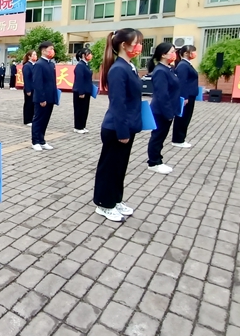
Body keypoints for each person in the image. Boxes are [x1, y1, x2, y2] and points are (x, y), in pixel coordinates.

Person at [93, 28, 144, 222]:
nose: (139, 47)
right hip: (116, 128)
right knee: (110, 167)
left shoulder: (128, 66)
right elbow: (118, 103)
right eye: (136, 43)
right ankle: (104, 204)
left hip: (126, 126)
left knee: (120, 167)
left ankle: (115, 200)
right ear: (124, 45)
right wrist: (123, 131)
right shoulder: (118, 69)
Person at [146, 42, 180, 175]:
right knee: (157, 137)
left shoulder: (168, 68)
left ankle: (158, 159)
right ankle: (153, 162)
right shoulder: (160, 70)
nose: (174, 54)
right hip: (161, 110)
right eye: (172, 51)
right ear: (163, 54)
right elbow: (162, 95)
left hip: (168, 109)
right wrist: (168, 113)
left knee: (161, 137)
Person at [31, 42, 58, 151]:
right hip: (42, 98)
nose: (52, 51)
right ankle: (35, 141)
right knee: (38, 119)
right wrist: (42, 98)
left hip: (50, 97)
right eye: (50, 49)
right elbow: (38, 83)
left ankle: (42, 140)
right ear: (43, 51)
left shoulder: (51, 64)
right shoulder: (39, 64)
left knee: (46, 120)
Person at [172, 45, 198, 149]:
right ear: (186, 53)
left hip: (190, 95)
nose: (194, 54)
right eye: (193, 51)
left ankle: (180, 138)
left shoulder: (187, 64)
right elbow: (182, 82)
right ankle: (178, 139)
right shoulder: (183, 65)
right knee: (183, 118)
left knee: (186, 117)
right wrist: (184, 97)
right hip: (186, 96)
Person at [73, 48, 94, 134]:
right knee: (79, 109)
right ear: (83, 55)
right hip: (80, 91)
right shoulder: (80, 65)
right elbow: (79, 80)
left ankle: (82, 125)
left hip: (87, 91)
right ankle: (78, 127)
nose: (90, 55)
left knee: (85, 109)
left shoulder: (86, 65)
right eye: (88, 54)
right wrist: (81, 92)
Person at [22, 50, 36, 127]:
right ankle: (27, 120)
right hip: (29, 88)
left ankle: (32, 118)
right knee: (28, 104)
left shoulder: (36, 65)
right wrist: (28, 89)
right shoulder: (27, 66)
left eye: (36, 54)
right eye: (33, 54)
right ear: (29, 56)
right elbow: (26, 79)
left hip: (35, 88)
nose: (35, 56)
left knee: (34, 104)